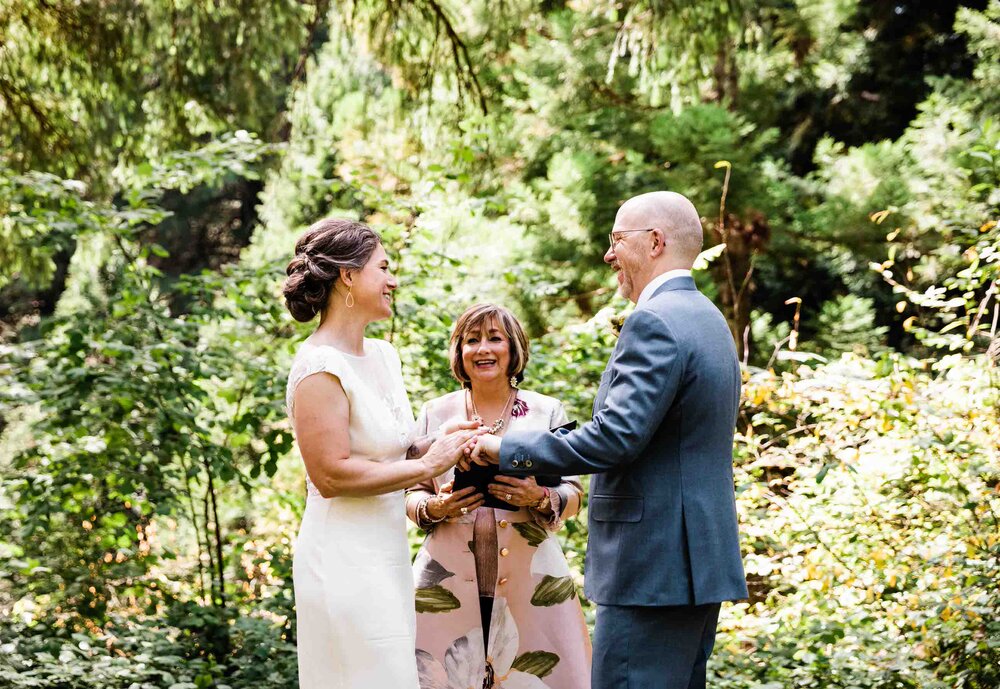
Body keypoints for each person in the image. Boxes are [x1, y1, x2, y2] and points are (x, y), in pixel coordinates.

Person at [466, 192, 748, 689]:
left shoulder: (654, 321)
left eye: (617, 240)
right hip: (695, 560)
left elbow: (615, 437)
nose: (608, 254)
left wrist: (504, 447)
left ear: (655, 242)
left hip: (652, 566)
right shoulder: (708, 319)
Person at [283, 218, 479, 689]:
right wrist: (428, 465)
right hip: (341, 557)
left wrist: (441, 442)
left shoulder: (384, 356)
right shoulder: (318, 367)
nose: (393, 280)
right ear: (348, 277)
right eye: (383, 268)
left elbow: (394, 449)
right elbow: (331, 476)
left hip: (387, 552)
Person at [405, 303, 592, 689]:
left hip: (532, 575)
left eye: (494, 338)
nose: (483, 349)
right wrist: (434, 506)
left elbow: (574, 492)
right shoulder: (435, 412)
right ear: (459, 352)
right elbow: (409, 492)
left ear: (514, 349)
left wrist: (538, 497)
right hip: (445, 579)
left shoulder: (546, 411)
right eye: (471, 340)